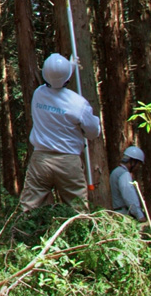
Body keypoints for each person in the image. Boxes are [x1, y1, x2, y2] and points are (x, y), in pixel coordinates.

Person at [19, 53, 101, 211]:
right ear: (67, 77)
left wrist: (68, 68)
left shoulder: (39, 95)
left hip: (41, 161)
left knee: (29, 208)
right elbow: (93, 133)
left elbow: (54, 80)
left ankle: (24, 234)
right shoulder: (78, 104)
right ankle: (80, 233)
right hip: (68, 161)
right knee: (77, 210)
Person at [111, 146, 147, 221]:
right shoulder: (124, 174)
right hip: (125, 215)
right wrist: (139, 215)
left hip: (118, 213)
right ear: (132, 161)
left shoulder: (115, 172)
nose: (138, 167)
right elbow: (129, 196)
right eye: (138, 164)